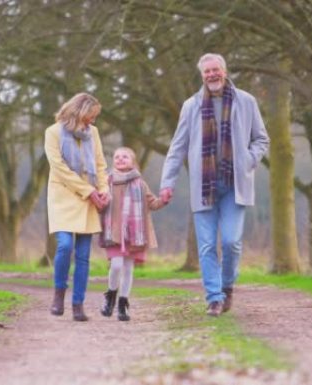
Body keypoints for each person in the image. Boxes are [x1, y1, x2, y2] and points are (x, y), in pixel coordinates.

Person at [159, 53, 270, 317]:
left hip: (235, 184)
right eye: (207, 71)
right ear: (202, 75)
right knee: (207, 245)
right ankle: (214, 298)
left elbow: (261, 140)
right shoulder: (191, 105)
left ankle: (227, 286)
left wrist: (247, 160)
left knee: (231, 241)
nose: (212, 75)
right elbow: (177, 147)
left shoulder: (246, 101)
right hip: (204, 186)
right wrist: (167, 183)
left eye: (215, 70)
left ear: (224, 70)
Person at [45, 93, 110, 322]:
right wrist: (88, 191)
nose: (93, 121)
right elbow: (59, 169)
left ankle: (78, 304)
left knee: (83, 255)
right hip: (63, 195)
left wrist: (103, 190)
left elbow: (100, 164)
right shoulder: (53, 133)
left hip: (89, 199)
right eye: (91, 116)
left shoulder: (93, 133)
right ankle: (58, 293)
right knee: (64, 246)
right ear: (79, 112)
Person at [99, 147, 166, 321]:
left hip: (135, 233)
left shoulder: (140, 184)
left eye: (125, 156)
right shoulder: (106, 181)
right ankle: (110, 296)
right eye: (117, 156)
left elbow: (152, 203)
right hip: (113, 232)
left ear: (133, 161)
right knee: (116, 265)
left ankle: (123, 304)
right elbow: (100, 202)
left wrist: (164, 199)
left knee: (128, 268)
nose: (120, 159)